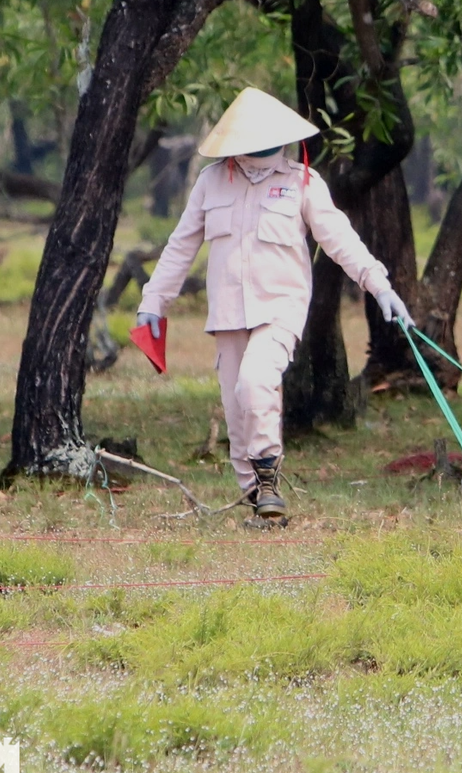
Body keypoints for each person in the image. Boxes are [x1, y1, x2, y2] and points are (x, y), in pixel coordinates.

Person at [137, 87, 409, 525]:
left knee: (256, 383)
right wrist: (154, 302)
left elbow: (340, 240)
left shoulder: (302, 183)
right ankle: (260, 506)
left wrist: (379, 285)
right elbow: (180, 246)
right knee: (236, 408)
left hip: (280, 308)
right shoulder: (211, 181)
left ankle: (268, 481)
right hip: (227, 314)